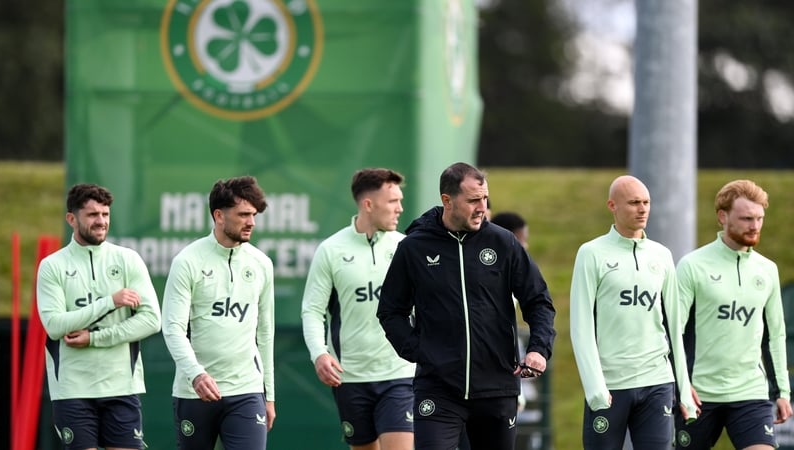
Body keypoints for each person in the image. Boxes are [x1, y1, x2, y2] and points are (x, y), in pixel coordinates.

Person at [377, 162, 556, 450]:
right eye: (473, 200)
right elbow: (390, 310)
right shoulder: (414, 247)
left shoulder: (503, 242)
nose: (482, 207)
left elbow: (538, 301)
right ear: (447, 200)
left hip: (497, 388)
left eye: (484, 198)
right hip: (438, 389)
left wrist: (538, 348)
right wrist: (420, 351)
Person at [569, 175, 698, 450]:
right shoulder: (591, 253)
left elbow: (674, 327)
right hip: (610, 385)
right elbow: (581, 326)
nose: (642, 209)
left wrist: (684, 390)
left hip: (657, 381)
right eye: (634, 203)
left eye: (646, 202)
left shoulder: (662, 255)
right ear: (612, 206)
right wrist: (594, 388)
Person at [37, 183, 161, 450]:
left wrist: (95, 338)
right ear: (72, 219)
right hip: (72, 390)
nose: (101, 221)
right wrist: (110, 302)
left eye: (105, 214)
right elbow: (55, 325)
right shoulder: (52, 266)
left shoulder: (128, 259)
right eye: (92, 215)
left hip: (121, 387)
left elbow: (152, 319)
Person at [301, 168, 416, 450]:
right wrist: (319, 353)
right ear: (368, 204)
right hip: (350, 377)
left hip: (400, 373)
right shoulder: (331, 250)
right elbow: (312, 310)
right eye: (392, 202)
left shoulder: (406, 247)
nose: (400, 208)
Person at [673, 179, 792, 449]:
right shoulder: (693, 266)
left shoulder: (767, 270)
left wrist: (782, 392)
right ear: (722, 217)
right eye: (747, 218)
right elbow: (673, 333)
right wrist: (681, 384)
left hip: (750, 392)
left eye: (760, 218)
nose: (755, 225)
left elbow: (775, 336)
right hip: (699, 395)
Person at [162, 176, 276, 450]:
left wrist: (268, 395)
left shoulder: (261, 263)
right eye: (244, 215)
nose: (251, 222)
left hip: (246, 391)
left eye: (254, 215)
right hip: (194, 392)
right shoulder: (187, 261)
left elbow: (265, 332)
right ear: (219, 215)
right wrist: (196, 374)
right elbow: (172, 328)